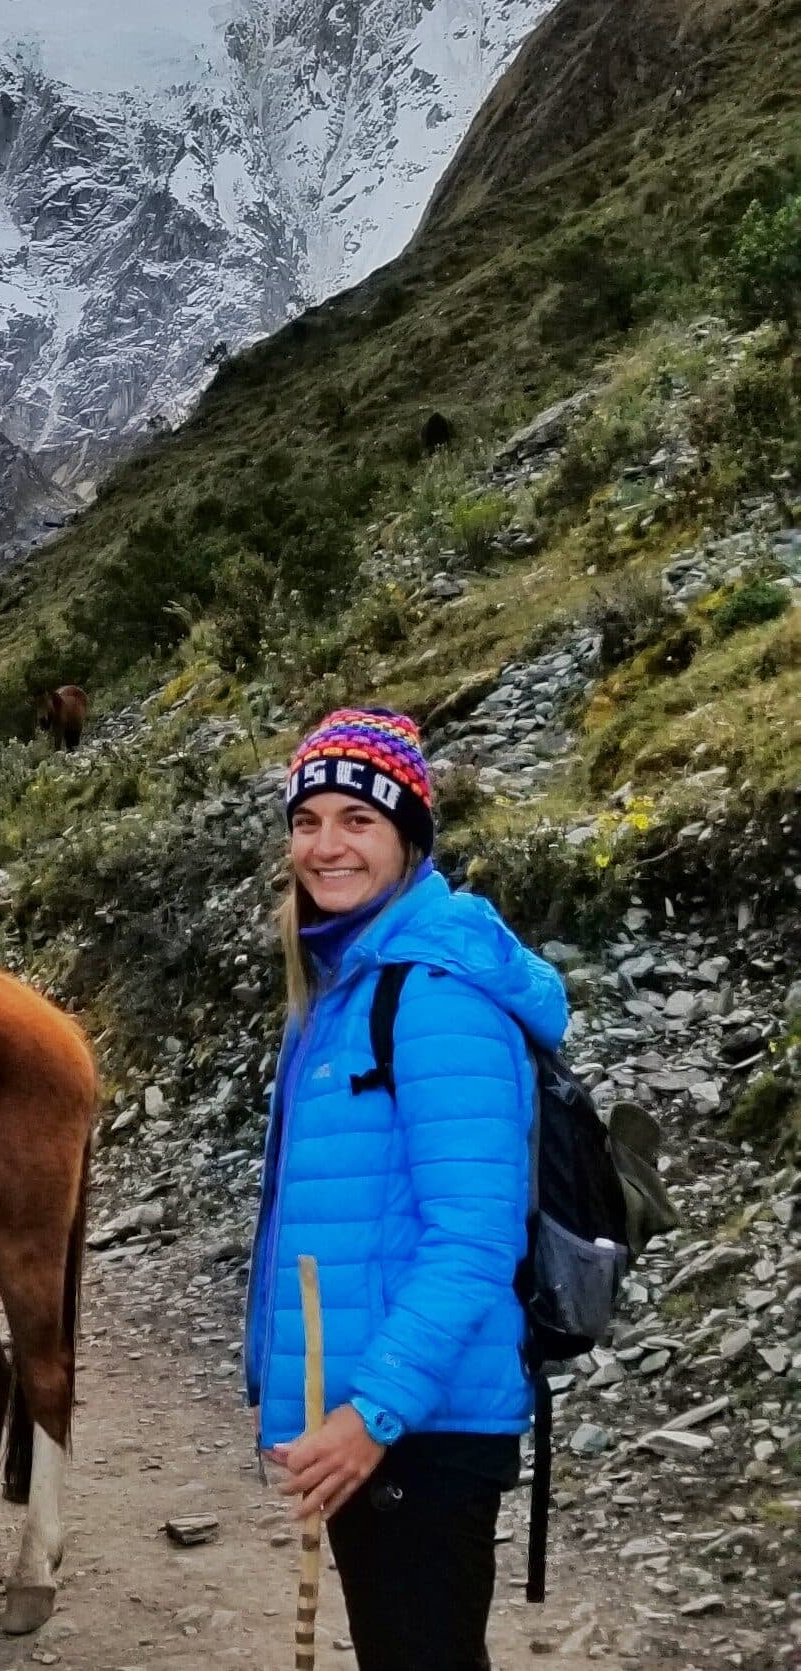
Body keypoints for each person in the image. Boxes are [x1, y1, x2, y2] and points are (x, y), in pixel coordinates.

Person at [244, 708, 567, 1671]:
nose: (326, 845)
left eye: (359, 820)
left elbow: (473, 1239)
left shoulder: (431, 993)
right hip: (379, 1420)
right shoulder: (346, 984)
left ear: (409, 836)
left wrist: (369, 1413)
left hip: (417, 1429)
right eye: (309, 820)